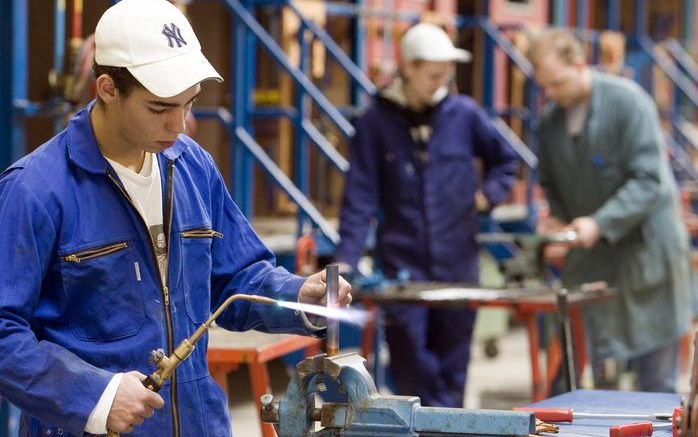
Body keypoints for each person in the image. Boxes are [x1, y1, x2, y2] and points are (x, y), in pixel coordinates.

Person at [0, 1, 352, 436]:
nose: (180, 125)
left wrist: (298, 296)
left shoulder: (193, 167)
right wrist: (96, 395)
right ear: (108, 88)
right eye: (160, 107)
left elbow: (234, 277)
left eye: (189, 104)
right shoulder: (36, 190)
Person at [335, 23, 518, 408]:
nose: (441, 82)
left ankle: (449, 426)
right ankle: (434, 424)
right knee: (411, 362)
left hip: (458, 263)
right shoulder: (375, 123)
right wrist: (346, 261)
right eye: (433, 74)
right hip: (403, 269)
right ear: (409, 68)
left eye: (446, 74)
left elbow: (506, 160)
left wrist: (488, 196)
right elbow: (360, 197)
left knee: (454, 366)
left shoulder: (464, 115)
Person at [528, 28, 693, 392]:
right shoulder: (550, 124)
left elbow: (649, 180)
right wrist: (556, 224)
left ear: (580, 63)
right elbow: (553, 186)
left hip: (648, 255)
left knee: (656, 387)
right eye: (546, 87)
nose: (553, 94)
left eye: (558, 83)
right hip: (592, 261)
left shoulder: (628, 103)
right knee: (571, 379)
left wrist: (599, 223)